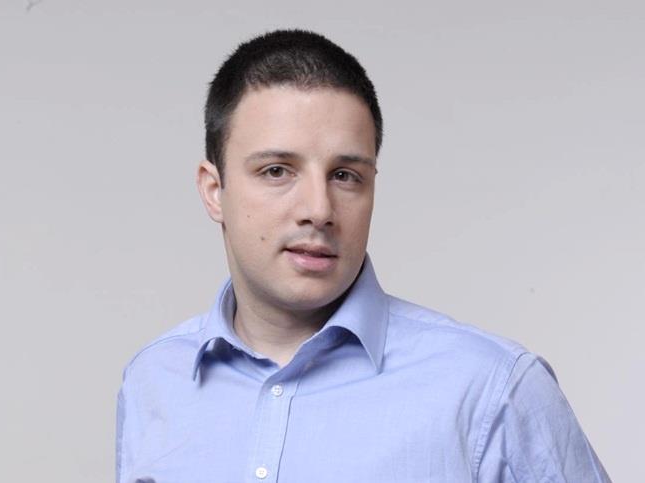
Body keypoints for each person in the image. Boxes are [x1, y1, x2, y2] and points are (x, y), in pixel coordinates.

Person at [115, 29, 610, 483]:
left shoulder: (492, 390)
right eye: (277, 171)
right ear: (214, 191)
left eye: (345, 176)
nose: (318, 209)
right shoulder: (152, 381)